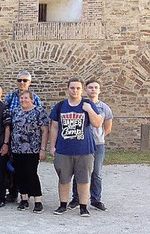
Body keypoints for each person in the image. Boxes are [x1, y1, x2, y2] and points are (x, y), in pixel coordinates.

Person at [49, 77, 102, 217]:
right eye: (72, 88)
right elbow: (54, 127)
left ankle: (83, 207)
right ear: (68, 89)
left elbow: (97, 123)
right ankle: (63, 205)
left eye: (78, 88)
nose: (75, 90)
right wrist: (52, 146)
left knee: (84, 180)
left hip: (84, 150)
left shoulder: (88, 104)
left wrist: (89, 110)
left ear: (82, 89)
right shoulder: (60, 106)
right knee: (64, 179)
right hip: (64, 150)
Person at [69, 80, 113, 211]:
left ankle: (95, 199)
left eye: (95, 87)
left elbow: (108, 127)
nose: (93, 90)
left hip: (98, 145)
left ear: (99, 90)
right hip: (81, 145)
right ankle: (76, 198)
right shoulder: (80, 104)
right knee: (79, 172)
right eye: (90, 88)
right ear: (85, 90)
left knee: (96, 173)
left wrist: (97, 138)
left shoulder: (104, 108)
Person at [10, 90, 49, 213]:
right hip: (17, 148)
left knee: (31, 174)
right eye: (21, 98)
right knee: (19, 174)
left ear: (32, 99)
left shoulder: (39, 112)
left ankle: (38, 200)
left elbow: (45, 131)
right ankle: (24, 198)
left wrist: (43, 149)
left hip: (32, 149)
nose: (23, 100)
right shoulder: (16, 111)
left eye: (26, 98)